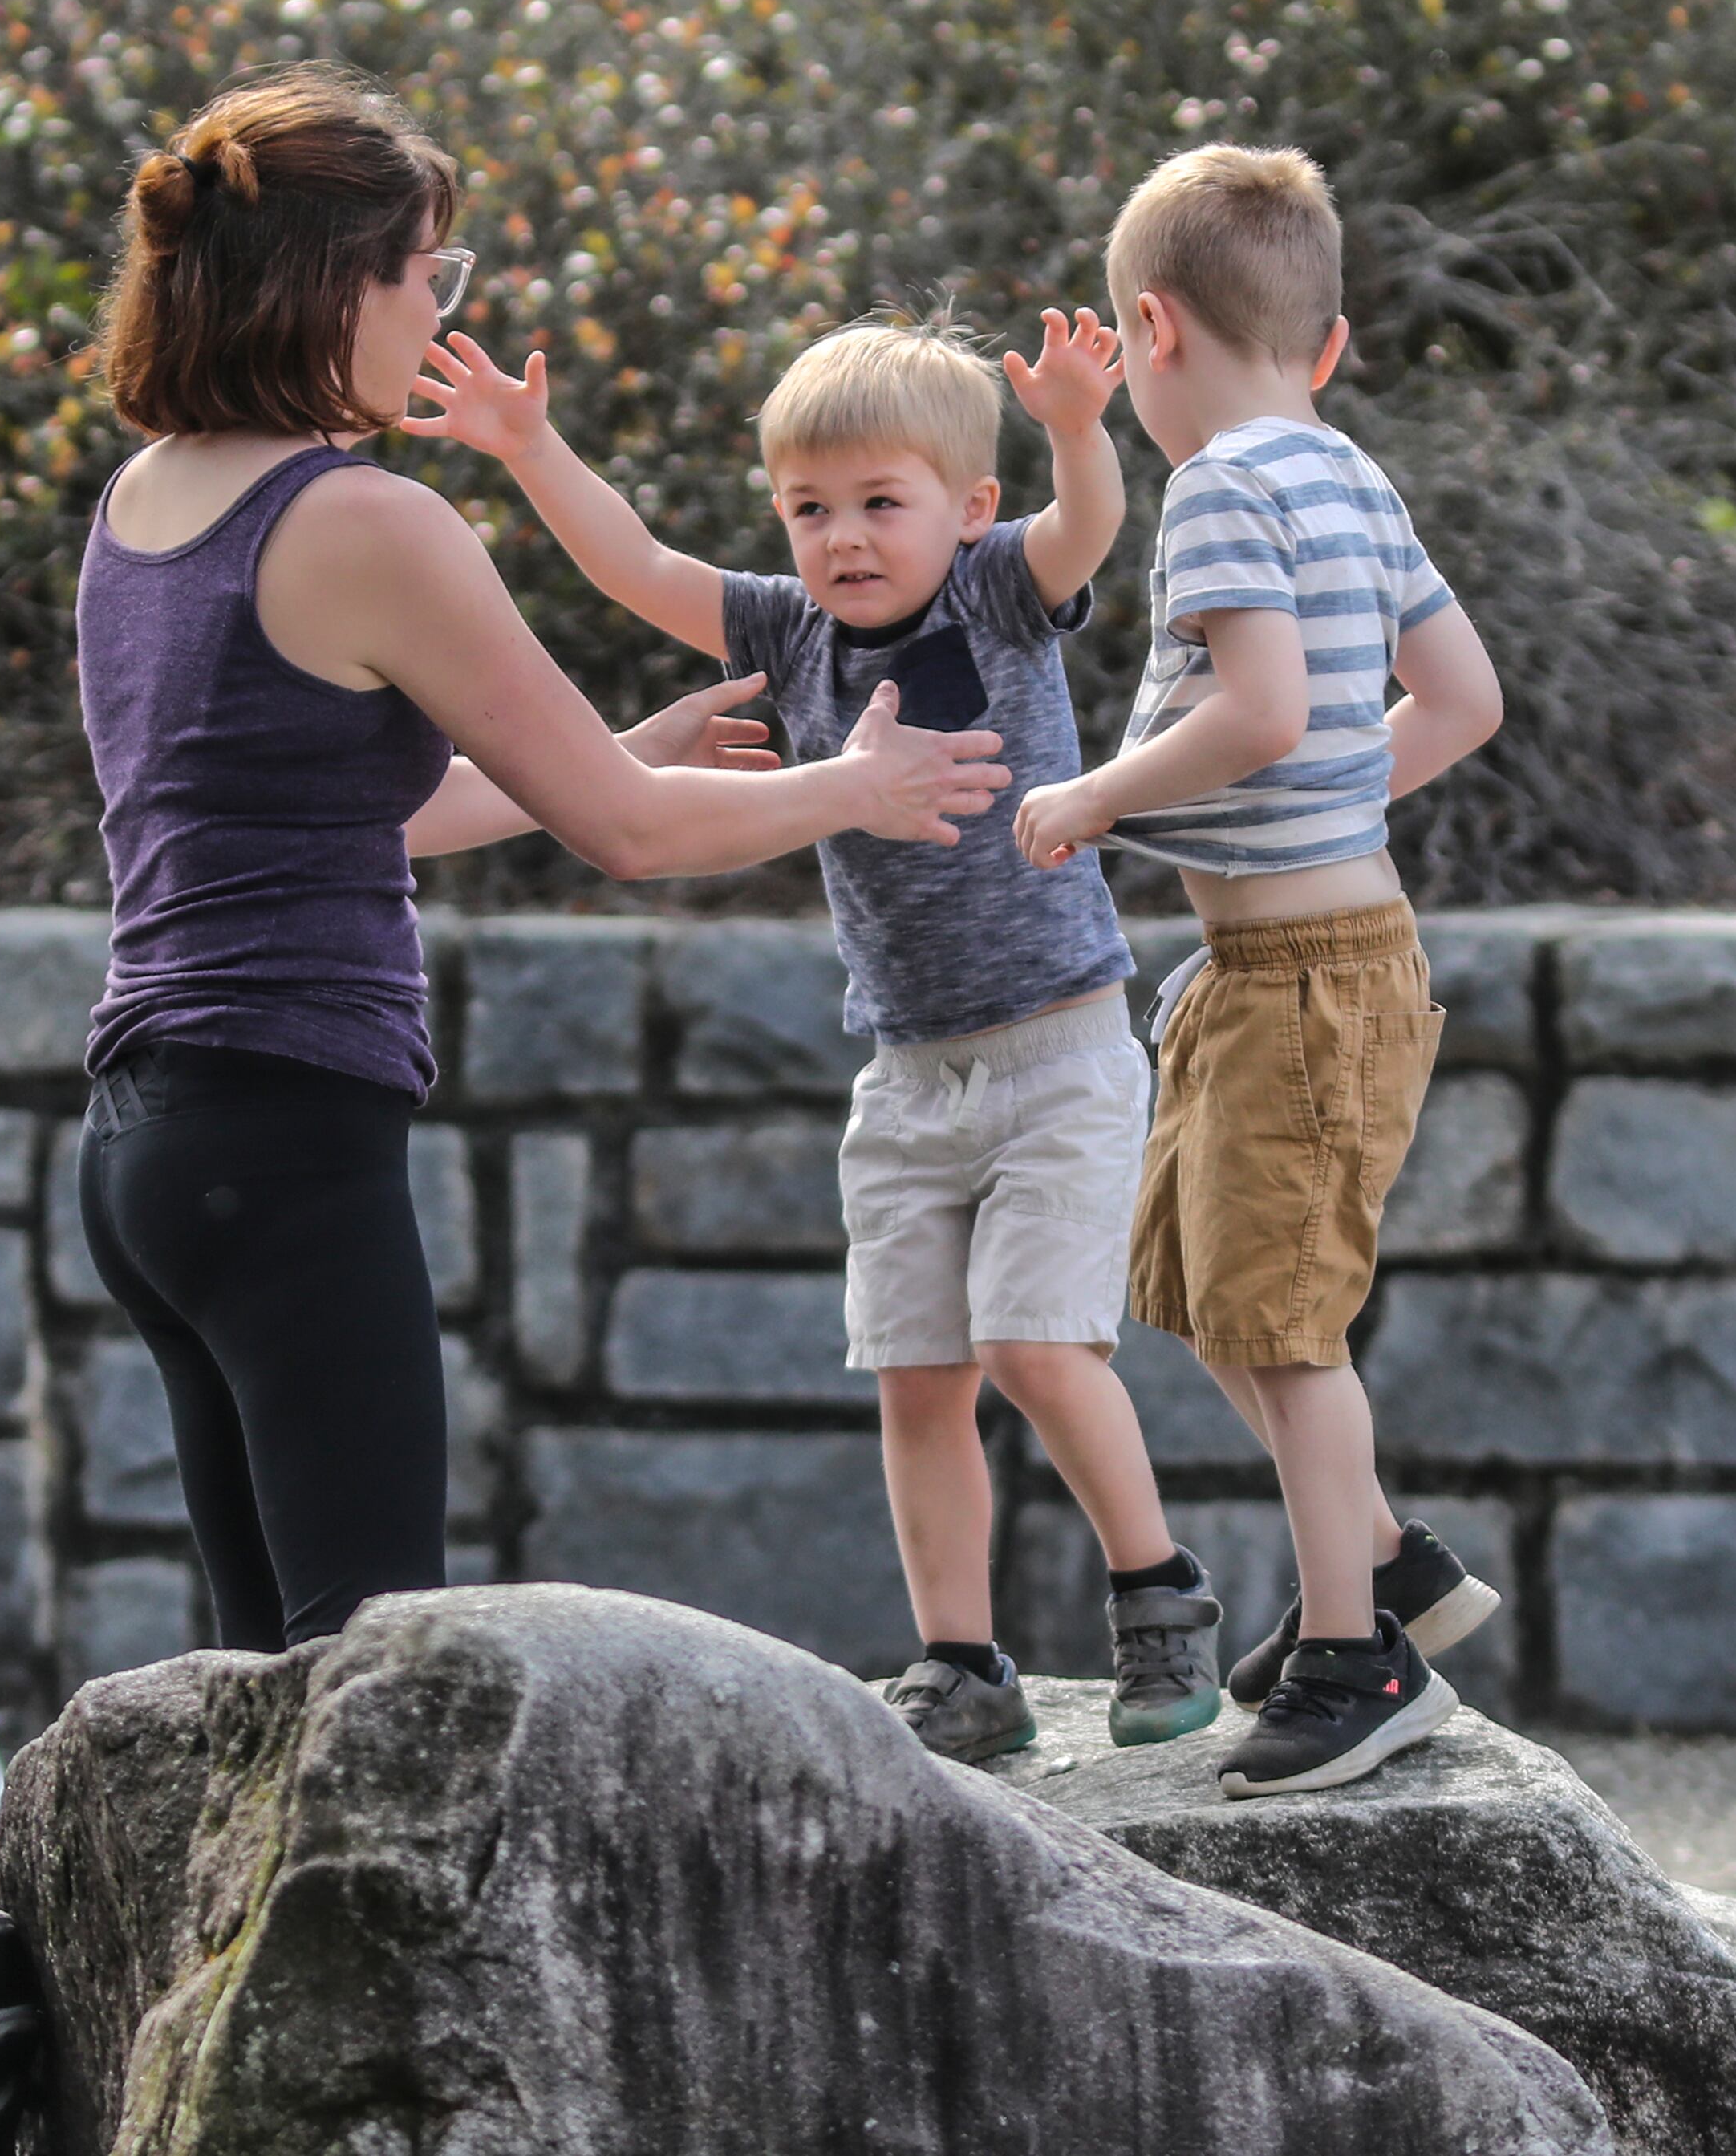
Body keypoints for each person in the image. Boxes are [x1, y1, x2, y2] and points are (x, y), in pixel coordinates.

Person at [72, 67, 1011, 1656]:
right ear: (327, 286)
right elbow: (630, 837)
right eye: (423, 274)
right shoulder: (367, 521)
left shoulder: (146, 502)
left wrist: (614, 753)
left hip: (149, 1151)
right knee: (381, 1677)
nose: (438, 312)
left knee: (267, 1690)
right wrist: (856, 783)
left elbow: (341, 808)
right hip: (292, 1142)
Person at [408, 308, 1225, 1761]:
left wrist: (1079, 426)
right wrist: (530, 449)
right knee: (917, 1376)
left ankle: (1159, 1591)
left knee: (1037, 1347)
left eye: (879, 504)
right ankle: (963, 1661)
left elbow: (1086, 526)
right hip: (908, 1073)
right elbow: (639, 568)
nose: (842, 538)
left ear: (965, 508)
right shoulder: (788, 631)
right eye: (808, 509)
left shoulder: (993, 593)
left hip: (1059, 1048)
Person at [1013, 144, 1508, 1797]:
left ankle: (1357, 1658)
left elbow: (1266, 711)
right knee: (1215, 1294)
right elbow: (1460, 702)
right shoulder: (1350, 474)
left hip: (1300, 971)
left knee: (1287, 1329)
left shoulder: (1225, 483)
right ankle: (1394, 1572)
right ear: (1331, 340)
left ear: (1146, 328)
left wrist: (1093, 794)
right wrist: (1326, 807)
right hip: (1293, 958)